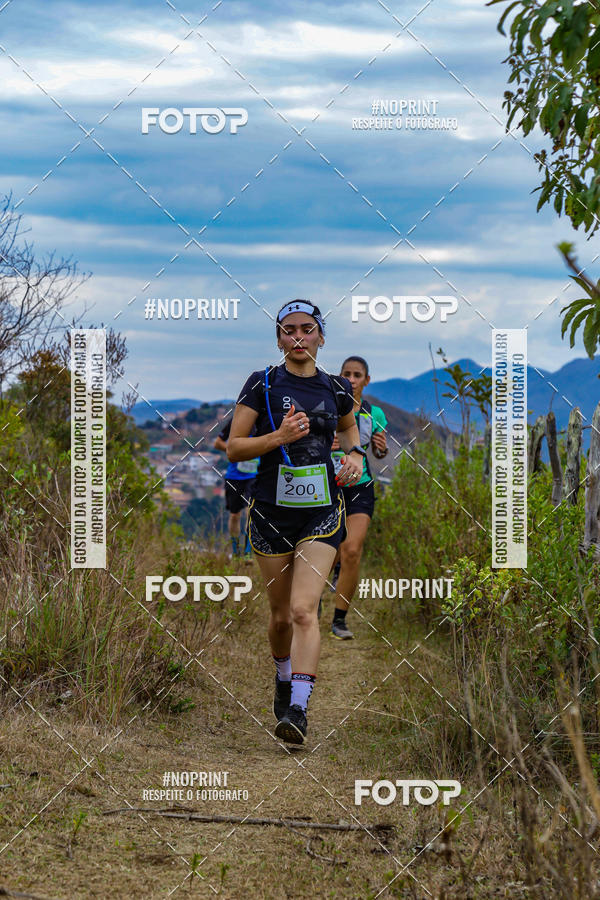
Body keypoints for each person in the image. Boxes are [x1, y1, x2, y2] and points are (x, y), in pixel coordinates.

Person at [227, 300, 364, 744]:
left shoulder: (336, 387)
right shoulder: (262, 383)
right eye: (289, 330)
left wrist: (355, 457)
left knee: (306, 610)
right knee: (282, 615)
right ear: (279, 338)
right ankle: (282, 677)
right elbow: (234, 448)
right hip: (270, 511)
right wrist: (279, 437)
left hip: (323, 511)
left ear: (322, 336)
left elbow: (348, 431)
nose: (298, 337)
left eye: (307, 329)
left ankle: (298, 711)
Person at [329, 356, 388, 640]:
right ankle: (311, 597)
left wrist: (381, 447)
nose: (351, 379)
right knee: (329, 551)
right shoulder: (327, 406)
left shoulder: (374, 413)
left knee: (351, 550)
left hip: (360, 486)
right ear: (339, 377)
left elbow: (379, 452)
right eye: (347, 374)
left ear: (366, 380)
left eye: (357, 375)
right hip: (327, 485)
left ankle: (339, 619)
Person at [214, 420, 258, 556]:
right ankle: (235, 551)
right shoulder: (235, 420)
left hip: (254, 475)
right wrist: (235, 451)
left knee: (250, 511)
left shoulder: (264, 419)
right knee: (235, 515)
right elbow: (217, 443)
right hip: (234, 476)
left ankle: (248, 552)